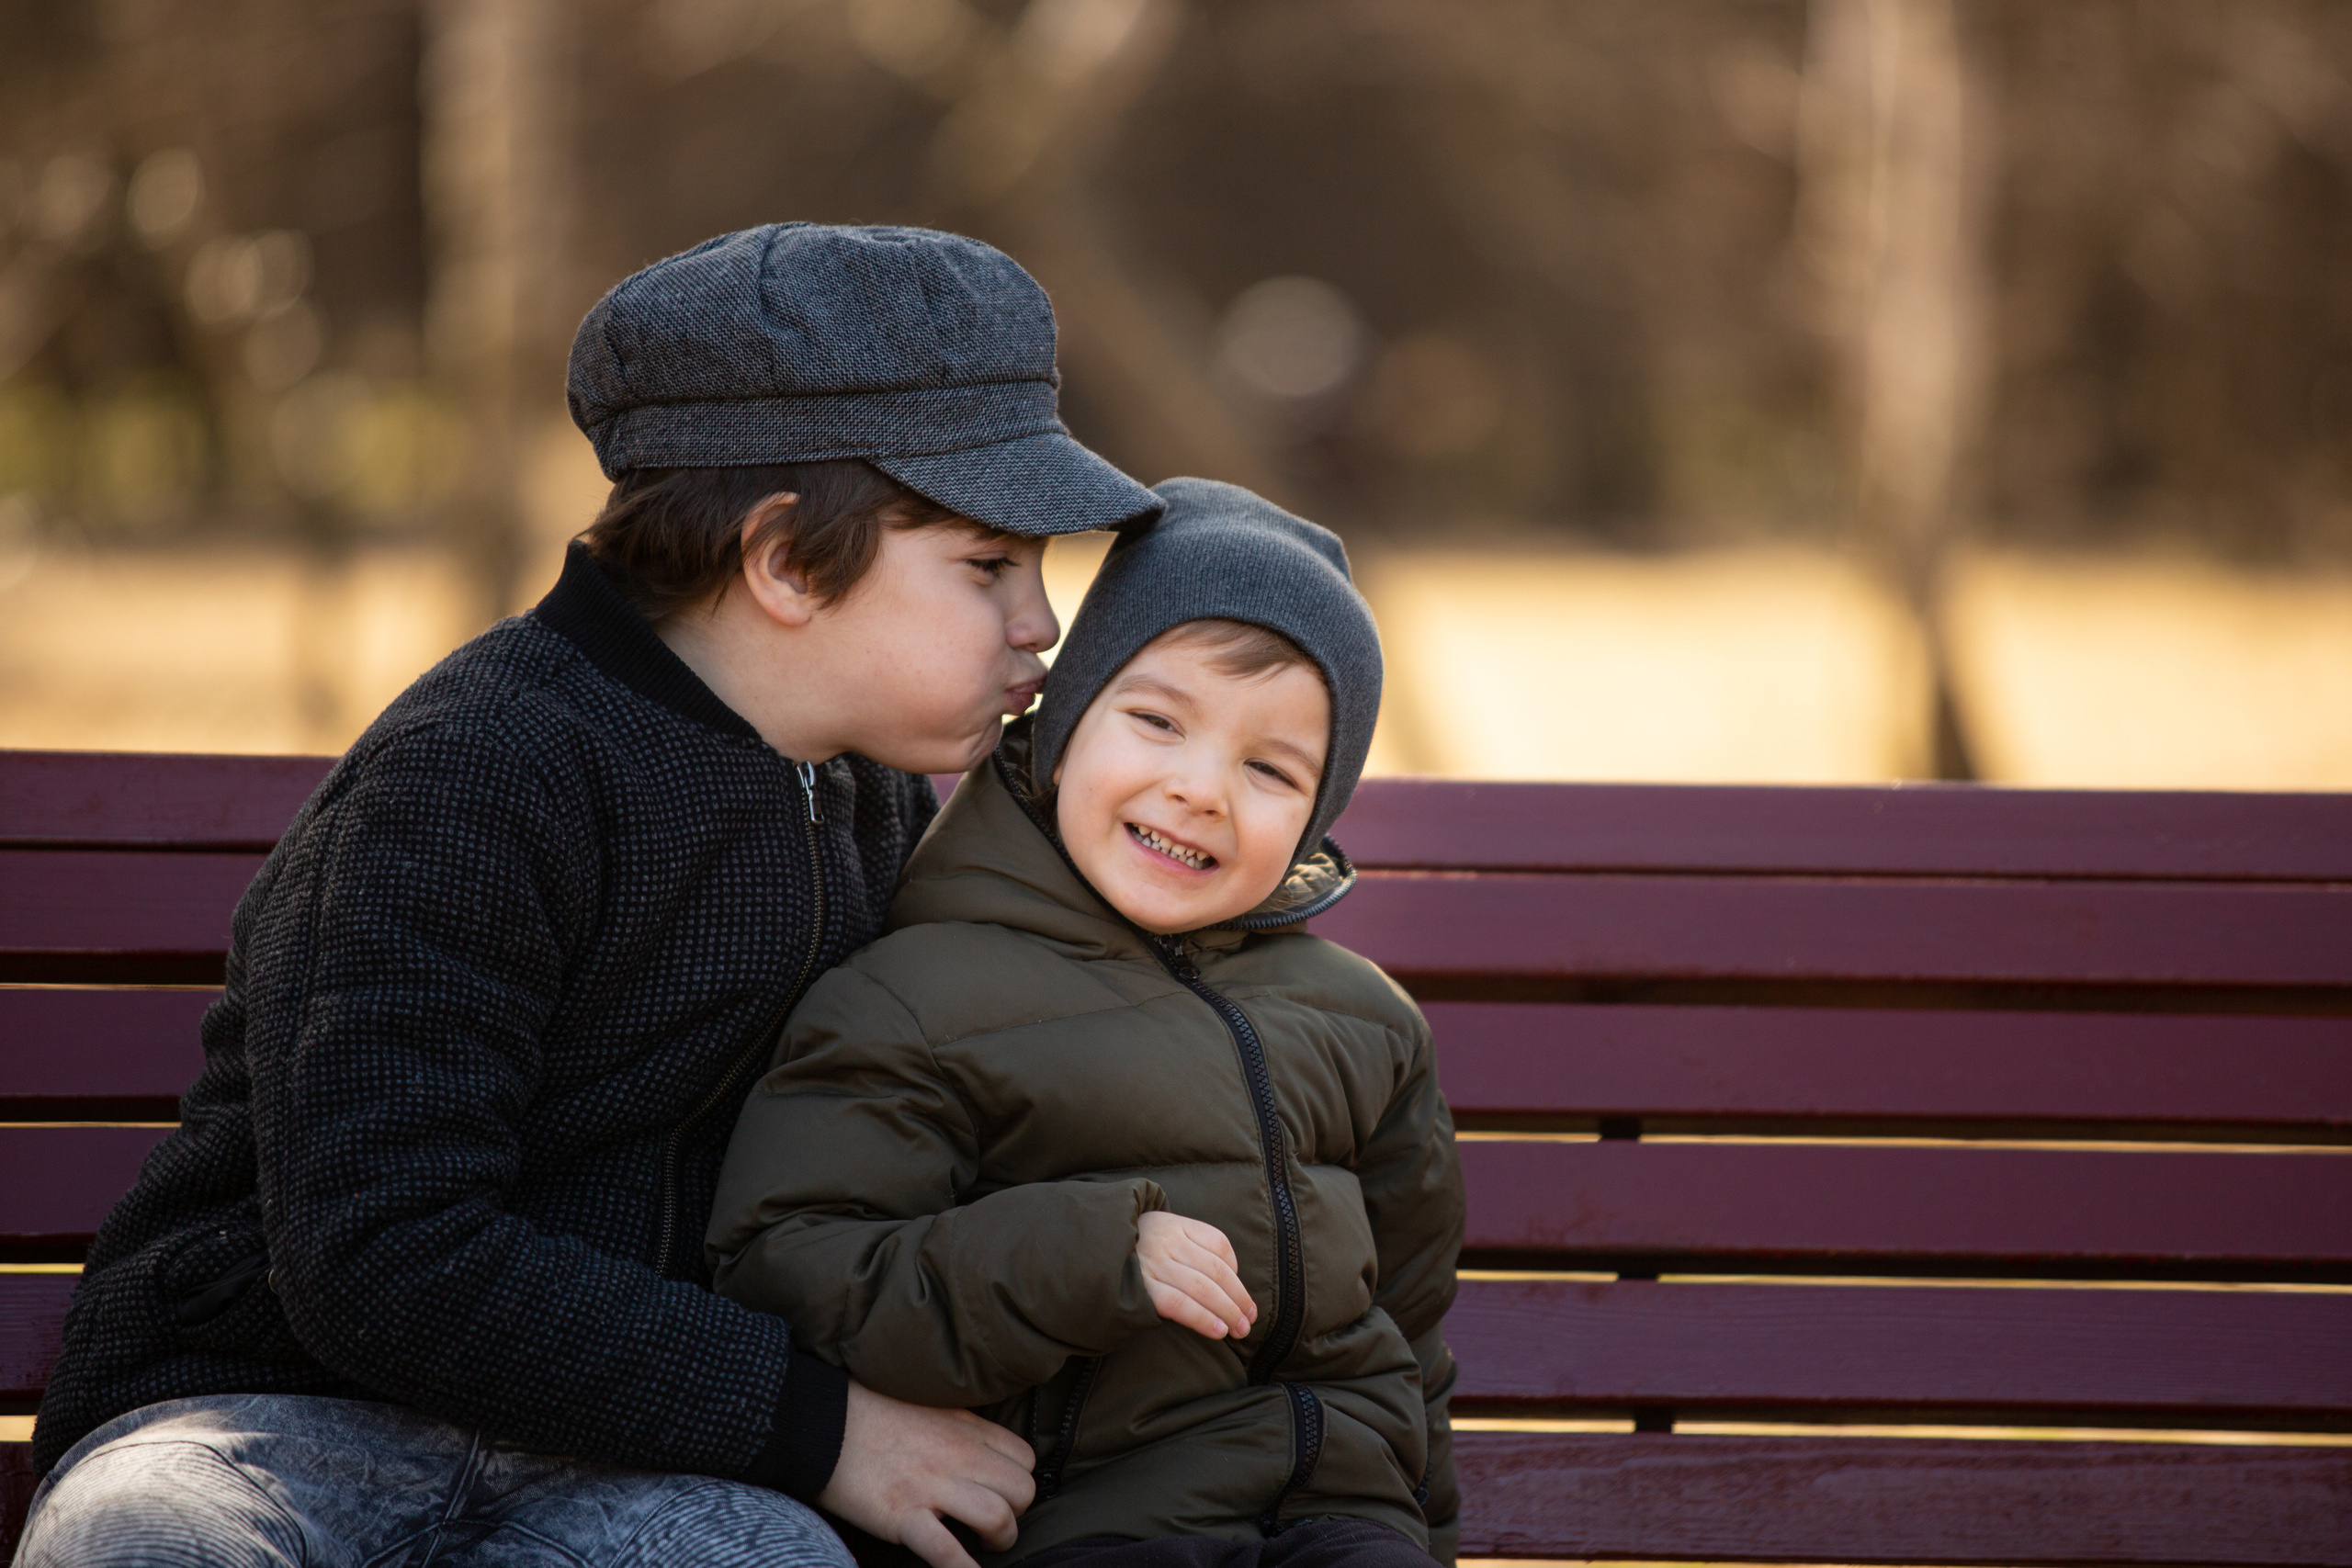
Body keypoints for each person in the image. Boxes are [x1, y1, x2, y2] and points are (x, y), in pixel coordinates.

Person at [17, 223, 1162, 1568]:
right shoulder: (475, 774)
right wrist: (818, 1426)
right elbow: (382, 1250)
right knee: (144, 1542)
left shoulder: (873, 800)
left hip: (629, 1462)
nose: (1039, 622)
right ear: (786, 562)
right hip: (276, 1420)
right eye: (988, 566)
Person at [707, 479, 1466, 1568]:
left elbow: (1410, 1327)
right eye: (1157, 722)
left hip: (1343, 1520)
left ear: (1316, 817)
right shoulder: (918, 994)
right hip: (1088, 1522)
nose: (1201, 788)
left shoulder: (1365, 1022)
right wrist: (1088, 1255)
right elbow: (797, 1270)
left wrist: (1425, 1535)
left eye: (1269, 768)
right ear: (1062, 729)